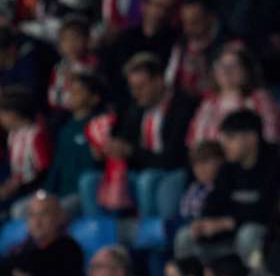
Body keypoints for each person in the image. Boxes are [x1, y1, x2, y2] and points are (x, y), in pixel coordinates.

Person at [79, 52, 198, 219]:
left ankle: (149, 233)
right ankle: (101, 232)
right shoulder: (134, 109)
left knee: (146, 180)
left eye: (141, 87)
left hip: (172, 171)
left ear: (159, 81)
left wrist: (131, 152)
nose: (136, 93)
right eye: (132, 88)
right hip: (139, 172)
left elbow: (173, 158)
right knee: (89, 181)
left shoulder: (182, 107)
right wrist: (108, 152)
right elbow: (123, 143)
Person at [188, 110, 280, 264]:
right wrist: (203, 222)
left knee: (248, 235)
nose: (225, 145)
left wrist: (228, 223)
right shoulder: (228, 168)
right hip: (228, 236)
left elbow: (269, 212)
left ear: (252, 138)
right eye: (223, 139)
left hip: (266, 236)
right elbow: (214, 200)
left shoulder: (277, 167)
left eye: (231, 138)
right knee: (186, 237)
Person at [187, 44, 280, 146]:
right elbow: (194, 141)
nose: (226, 71)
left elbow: (270, 138)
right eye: (221, 65)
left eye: (234, 65)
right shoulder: (208, 103)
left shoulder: (261, 100)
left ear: (246, 71)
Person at [0, 192, 83, 276]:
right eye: (32, 215)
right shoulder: (20, 248)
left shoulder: (69, 249)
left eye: (44, 214)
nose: (37, 222)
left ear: (59, 218)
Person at [43, 72, 104, 217]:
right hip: (61, 194)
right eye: (71, 91)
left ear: (94, 98)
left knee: (51, 214)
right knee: (24, 209)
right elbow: (57, 165)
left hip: (86, 195)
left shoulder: (100, 126)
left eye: (78, 91)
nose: (72, 95)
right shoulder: (65, 129)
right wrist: (45, 193)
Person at [164, 0, 229, 99]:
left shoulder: (228, 47)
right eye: (185, 22)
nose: (187, 29)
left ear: (211, 18)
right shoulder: (181, 45)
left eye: (194, 22)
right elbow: (169, 81)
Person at [0, 86, 51, 218]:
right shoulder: (12, 136)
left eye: (2, 113)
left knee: (17, 209)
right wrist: (9, 185)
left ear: (14, 114)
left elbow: (44, 170)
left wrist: (20, 185)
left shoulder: (36, 135)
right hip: (19, 189)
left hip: (34, 189)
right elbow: (15, 170)